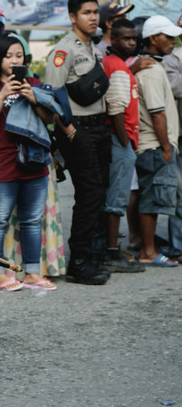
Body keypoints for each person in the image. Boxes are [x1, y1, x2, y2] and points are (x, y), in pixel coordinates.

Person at [0, 33, 57, 291]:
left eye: (18, 56)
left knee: (32, 220)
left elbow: (50, 119)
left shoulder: (33, 82)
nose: (13, 61)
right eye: (8, 56)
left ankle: (32, 272)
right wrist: (3, 94)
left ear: (25, 59)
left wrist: (33, 97)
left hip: (33, 162)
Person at [45, 0, 112, 285]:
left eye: (95, 12)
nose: (93, 17)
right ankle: (79, 262)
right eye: (86, 12)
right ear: (72, 17)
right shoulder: (64, 50)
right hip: (78, 130)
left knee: (99, 193)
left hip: (99, 128)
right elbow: (52, 96)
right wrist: (69, 131)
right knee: (89, 194)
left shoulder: (93, 47)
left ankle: (93, 256)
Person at [134, 16, 181, 267]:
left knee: (152, 198)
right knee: (151, 200)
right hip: (154, 145)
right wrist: (165, 147)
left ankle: (147, 248)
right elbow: (157, 112)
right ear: (153, 39)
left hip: (154, 145)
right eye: (168, 36)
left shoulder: (153, 65)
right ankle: (148, 252)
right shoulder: (151, 69)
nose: (173, 41)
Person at [98, 19, 145, 273]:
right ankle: (111, 253)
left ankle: (111, 247)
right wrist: (126, 144)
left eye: (134, 38)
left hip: (119, 139)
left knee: (116, 194)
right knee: (117, 197)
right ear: (113, 40)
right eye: (126, 38)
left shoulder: (117, 64)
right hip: (120, 139)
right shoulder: (116, 66)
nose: (132, 42)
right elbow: (115, 108)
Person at [162, 16, 182, 264]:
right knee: (180, 193)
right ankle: (178, 246)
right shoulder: (171, 58)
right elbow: (176, 87)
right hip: (179, 134)